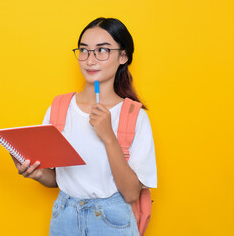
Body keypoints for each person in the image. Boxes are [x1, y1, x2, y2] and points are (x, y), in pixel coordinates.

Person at [11, 17, 157, 236]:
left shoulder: (134, 116)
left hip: (112, 222)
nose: (90, 60)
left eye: (102, 50)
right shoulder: (59, 107)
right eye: (84, 50)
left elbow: (131, 194)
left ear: (123, 56)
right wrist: (35, 173)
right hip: (64, 218)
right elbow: (58, 179)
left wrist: (108, 137)